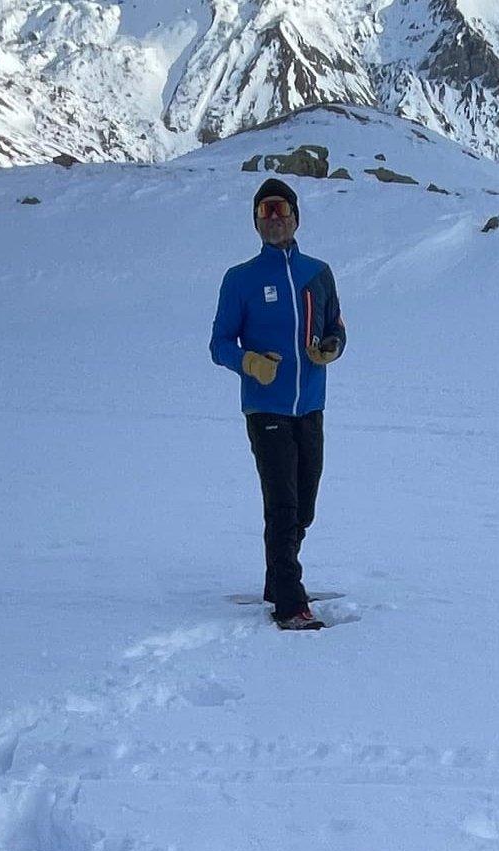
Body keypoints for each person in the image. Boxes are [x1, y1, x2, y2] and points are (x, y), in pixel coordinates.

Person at [210, 176, 347, 631]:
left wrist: (330, 348)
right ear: (255, 222)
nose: (274, 219)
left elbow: (337, 329)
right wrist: (249, 361)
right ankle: (290, 602)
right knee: (283, 506)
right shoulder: (241, 279)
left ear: (295, 217)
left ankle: (276, 576)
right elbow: (219, 344)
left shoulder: (319, 274)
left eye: (281, 210)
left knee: (304, 505)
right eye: (265, 211)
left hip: (310, 405)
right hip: (265, 409)